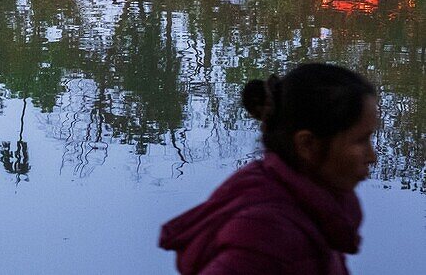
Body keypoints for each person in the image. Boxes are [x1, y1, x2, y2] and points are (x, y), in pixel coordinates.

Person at [160, 63, 379, 275]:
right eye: (361, 141)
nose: (372, 157)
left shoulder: (317, 211)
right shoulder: (266, 236)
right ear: (307, 144)